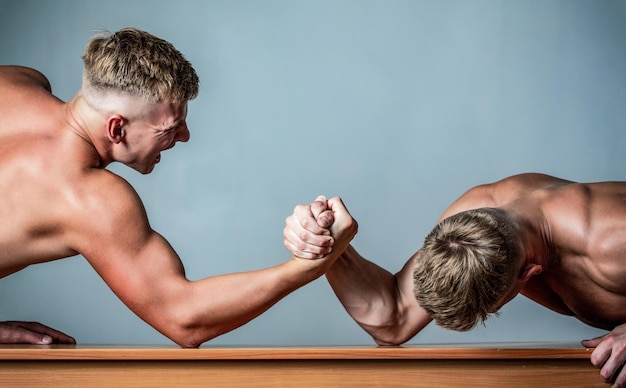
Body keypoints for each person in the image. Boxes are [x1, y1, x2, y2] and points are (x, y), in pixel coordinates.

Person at [0, 27, 357, 348]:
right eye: (170, 128)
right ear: (116, 130)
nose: (185, 137)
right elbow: (184, 319)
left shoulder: (17, 82)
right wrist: (305, 268)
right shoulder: (90, 200)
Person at [284, 172, 626, 387]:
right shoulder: (471, 224)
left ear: (529, 276)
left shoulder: (612, 240)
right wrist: (327, 245)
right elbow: (393, 318)